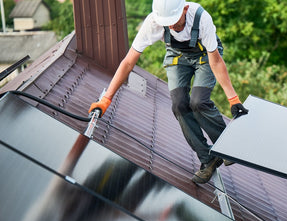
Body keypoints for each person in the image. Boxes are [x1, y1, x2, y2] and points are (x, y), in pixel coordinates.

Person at [89, 0, 248, 184]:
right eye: (167, 23)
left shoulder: (201, 18)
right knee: (179, 104)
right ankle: (208, 159)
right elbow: (128, 62)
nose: (171, 26)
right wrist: (106, 99)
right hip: (177, 57)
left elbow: (216, 62)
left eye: (174, 21)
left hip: (206, 56)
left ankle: (226, 146)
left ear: (185, 9)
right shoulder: (154, 22)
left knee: (198, 102)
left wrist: (233, 99)